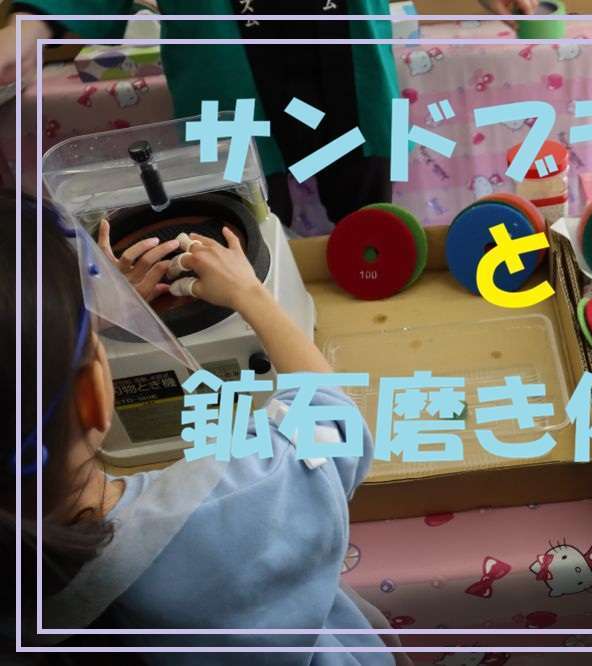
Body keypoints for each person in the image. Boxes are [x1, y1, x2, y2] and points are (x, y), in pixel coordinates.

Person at [0, 192, 411, 664]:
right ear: (92, 394)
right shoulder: (239, 500)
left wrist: (82, 322)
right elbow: (333, 422)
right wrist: (250, 294)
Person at [0, 0, 537, 230]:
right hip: (222, 46)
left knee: (370, 223)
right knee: (242, 230)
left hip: (345, 43)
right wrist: (38, 24)